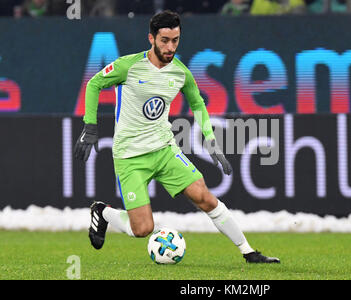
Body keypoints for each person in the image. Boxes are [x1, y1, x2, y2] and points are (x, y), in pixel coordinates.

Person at [74, 10, 280, 264]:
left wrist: (211, 141)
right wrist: (90, 127)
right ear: (151, 38)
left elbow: (198, 104)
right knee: (142, 229)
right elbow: (94, 84)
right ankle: (103, 212)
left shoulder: (180, 72)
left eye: (175, 40)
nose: (170, 47)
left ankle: (248, 252)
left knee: (204, 197)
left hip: (165, 150)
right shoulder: (128, 66)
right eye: (164, 40)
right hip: (130, 156)